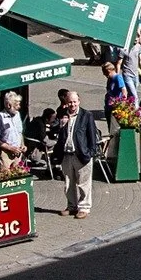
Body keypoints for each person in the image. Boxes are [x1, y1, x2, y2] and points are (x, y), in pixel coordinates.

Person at [52, 90, 99, 218]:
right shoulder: (62, 114)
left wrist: (90, 152)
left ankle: (84, 207)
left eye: (74, 102)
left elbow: (92, 135)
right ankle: (72, 206)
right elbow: (54, 131)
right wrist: (60, 125)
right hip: (66, 155)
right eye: (70, 102)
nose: (72, 105)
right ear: (66, 103)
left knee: (83, 183)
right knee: (68, 182)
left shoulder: (86, 115)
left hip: (81, 154)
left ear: (79, 101)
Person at [0, 91, 25, 171]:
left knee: (18, 176)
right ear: (8, 105)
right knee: (5, 177)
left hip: (18, 153)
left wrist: (23, 145)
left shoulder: (17, 114)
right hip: (5, 153)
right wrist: (10, 148)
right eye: (16, 105)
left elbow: (19, 133)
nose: (19, 107)